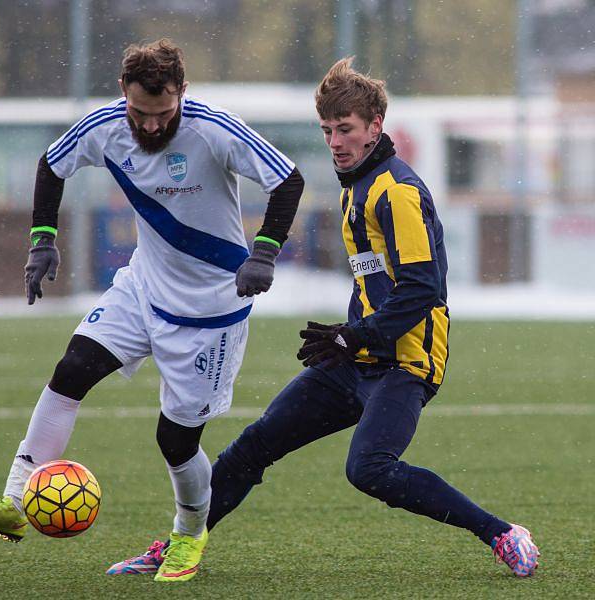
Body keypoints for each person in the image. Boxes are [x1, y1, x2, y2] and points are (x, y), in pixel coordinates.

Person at [108, 57, 540, 579]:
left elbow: (424, 290)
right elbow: (376, 281)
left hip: (406, 362)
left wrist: (354, 333)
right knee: (255, 445)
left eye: (346, 130)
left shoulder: (396, 192)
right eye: (328, 130)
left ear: (375, 127)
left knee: (369, 470)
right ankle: (178, 545)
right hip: (358, 354)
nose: (335, 141)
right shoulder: (355, 184)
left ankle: (502, 533)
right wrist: (351, 337)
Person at [0, 38, 304, 584]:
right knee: (70, 372)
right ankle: (16, 501)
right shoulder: (106, 126)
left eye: (164, 114)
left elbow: (289, 180)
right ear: (124, 94)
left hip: (211, 312)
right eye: (141, 112)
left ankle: (188, 535)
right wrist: (42, 240)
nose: (152, 126)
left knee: (175, 440)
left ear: (183, 94)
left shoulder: (214, 130)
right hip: (142, 289)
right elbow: (52, 164)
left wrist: (265, 252)